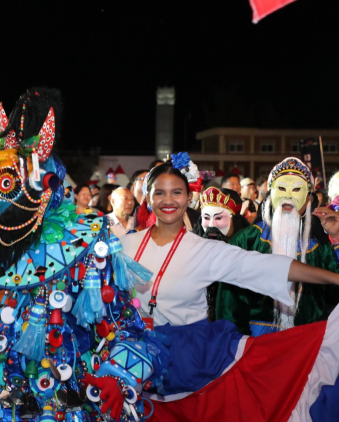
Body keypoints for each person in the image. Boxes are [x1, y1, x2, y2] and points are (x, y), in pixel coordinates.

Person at [116, 160, 339, 421]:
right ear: (148, 197)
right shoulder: (122, 245)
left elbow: (268, 266)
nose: (169, 200)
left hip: (189, 365)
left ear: (189, 197)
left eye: (177, 192)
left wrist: (335, 278)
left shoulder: (206, 250)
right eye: (160, 192)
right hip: (128, 363)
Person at [217, 157, 339, 336]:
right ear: (270, 193)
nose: (288, 196)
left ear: (308, 199)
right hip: (256, 341)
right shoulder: (248, 240)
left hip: (307, 342)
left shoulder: (319, 244)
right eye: (281, 188)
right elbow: (229, 303)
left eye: (296, 190)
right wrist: (237, 343)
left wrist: (336, 236)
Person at [192, 187, 249, 321]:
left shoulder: (247, 255)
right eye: (206, 218)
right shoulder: (191, 252)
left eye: (219, 218)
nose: (212, 225)